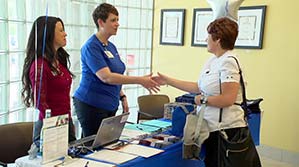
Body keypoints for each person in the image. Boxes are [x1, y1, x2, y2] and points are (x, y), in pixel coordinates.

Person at [153, 17, 260, 166]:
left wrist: (201, 100)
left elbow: (228, 99)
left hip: (227, 130)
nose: (205, 39)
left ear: (217, 39)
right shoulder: (213, 61)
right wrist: (168, 81)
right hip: (210, 128)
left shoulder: (229, 61)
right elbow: (199, 87)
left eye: (208, 35)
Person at [73, 3, 160, 138]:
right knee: (95, 147)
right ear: (101, 22)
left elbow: (116, 75)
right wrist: (140, 80)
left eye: (117, 20)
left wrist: (122, 96)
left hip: (110, 103)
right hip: (92, 103)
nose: (117, 24)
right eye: (113, 20)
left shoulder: (111, 46)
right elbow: (106, 77)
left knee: (107, 143)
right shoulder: (91, 47)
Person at [21, 16, 76, 153]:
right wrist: (56, 127)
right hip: (50, 127)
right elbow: (41, 103)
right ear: (49, 35)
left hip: (66, 121)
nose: (65, 34)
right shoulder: (39, 66)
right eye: (61, 30)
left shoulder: (60, 59)